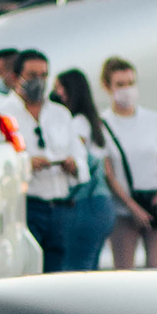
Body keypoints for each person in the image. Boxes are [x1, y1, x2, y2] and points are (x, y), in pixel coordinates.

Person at [0, 49, 90, 273]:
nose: (38, 81)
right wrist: (27, 164)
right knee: (27, 271)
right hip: (27, 206)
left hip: (59, 208)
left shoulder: (59, 113)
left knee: (58, 274)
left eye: (43, 75)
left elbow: (80, 157)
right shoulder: (3, 114)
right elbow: (0, 163)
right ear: (17, 76)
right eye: (32, 75)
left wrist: (73, 164)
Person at [98, 56, 157, 269]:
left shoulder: (153, 119)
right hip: (124, 209)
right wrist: (132, 207)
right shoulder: (103, 123)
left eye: (130, 83)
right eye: (120, 85)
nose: (127, 89)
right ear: (108, 87)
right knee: (124, 271)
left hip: (155, 203)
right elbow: (109, 174)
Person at [47, 67, 121, 272]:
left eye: (58, 88)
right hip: (102, 204)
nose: (54, 94)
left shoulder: (77, 123)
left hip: (84, 204)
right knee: (90, 268)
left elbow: (76, 159)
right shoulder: (93, 121)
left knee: (75, 269)